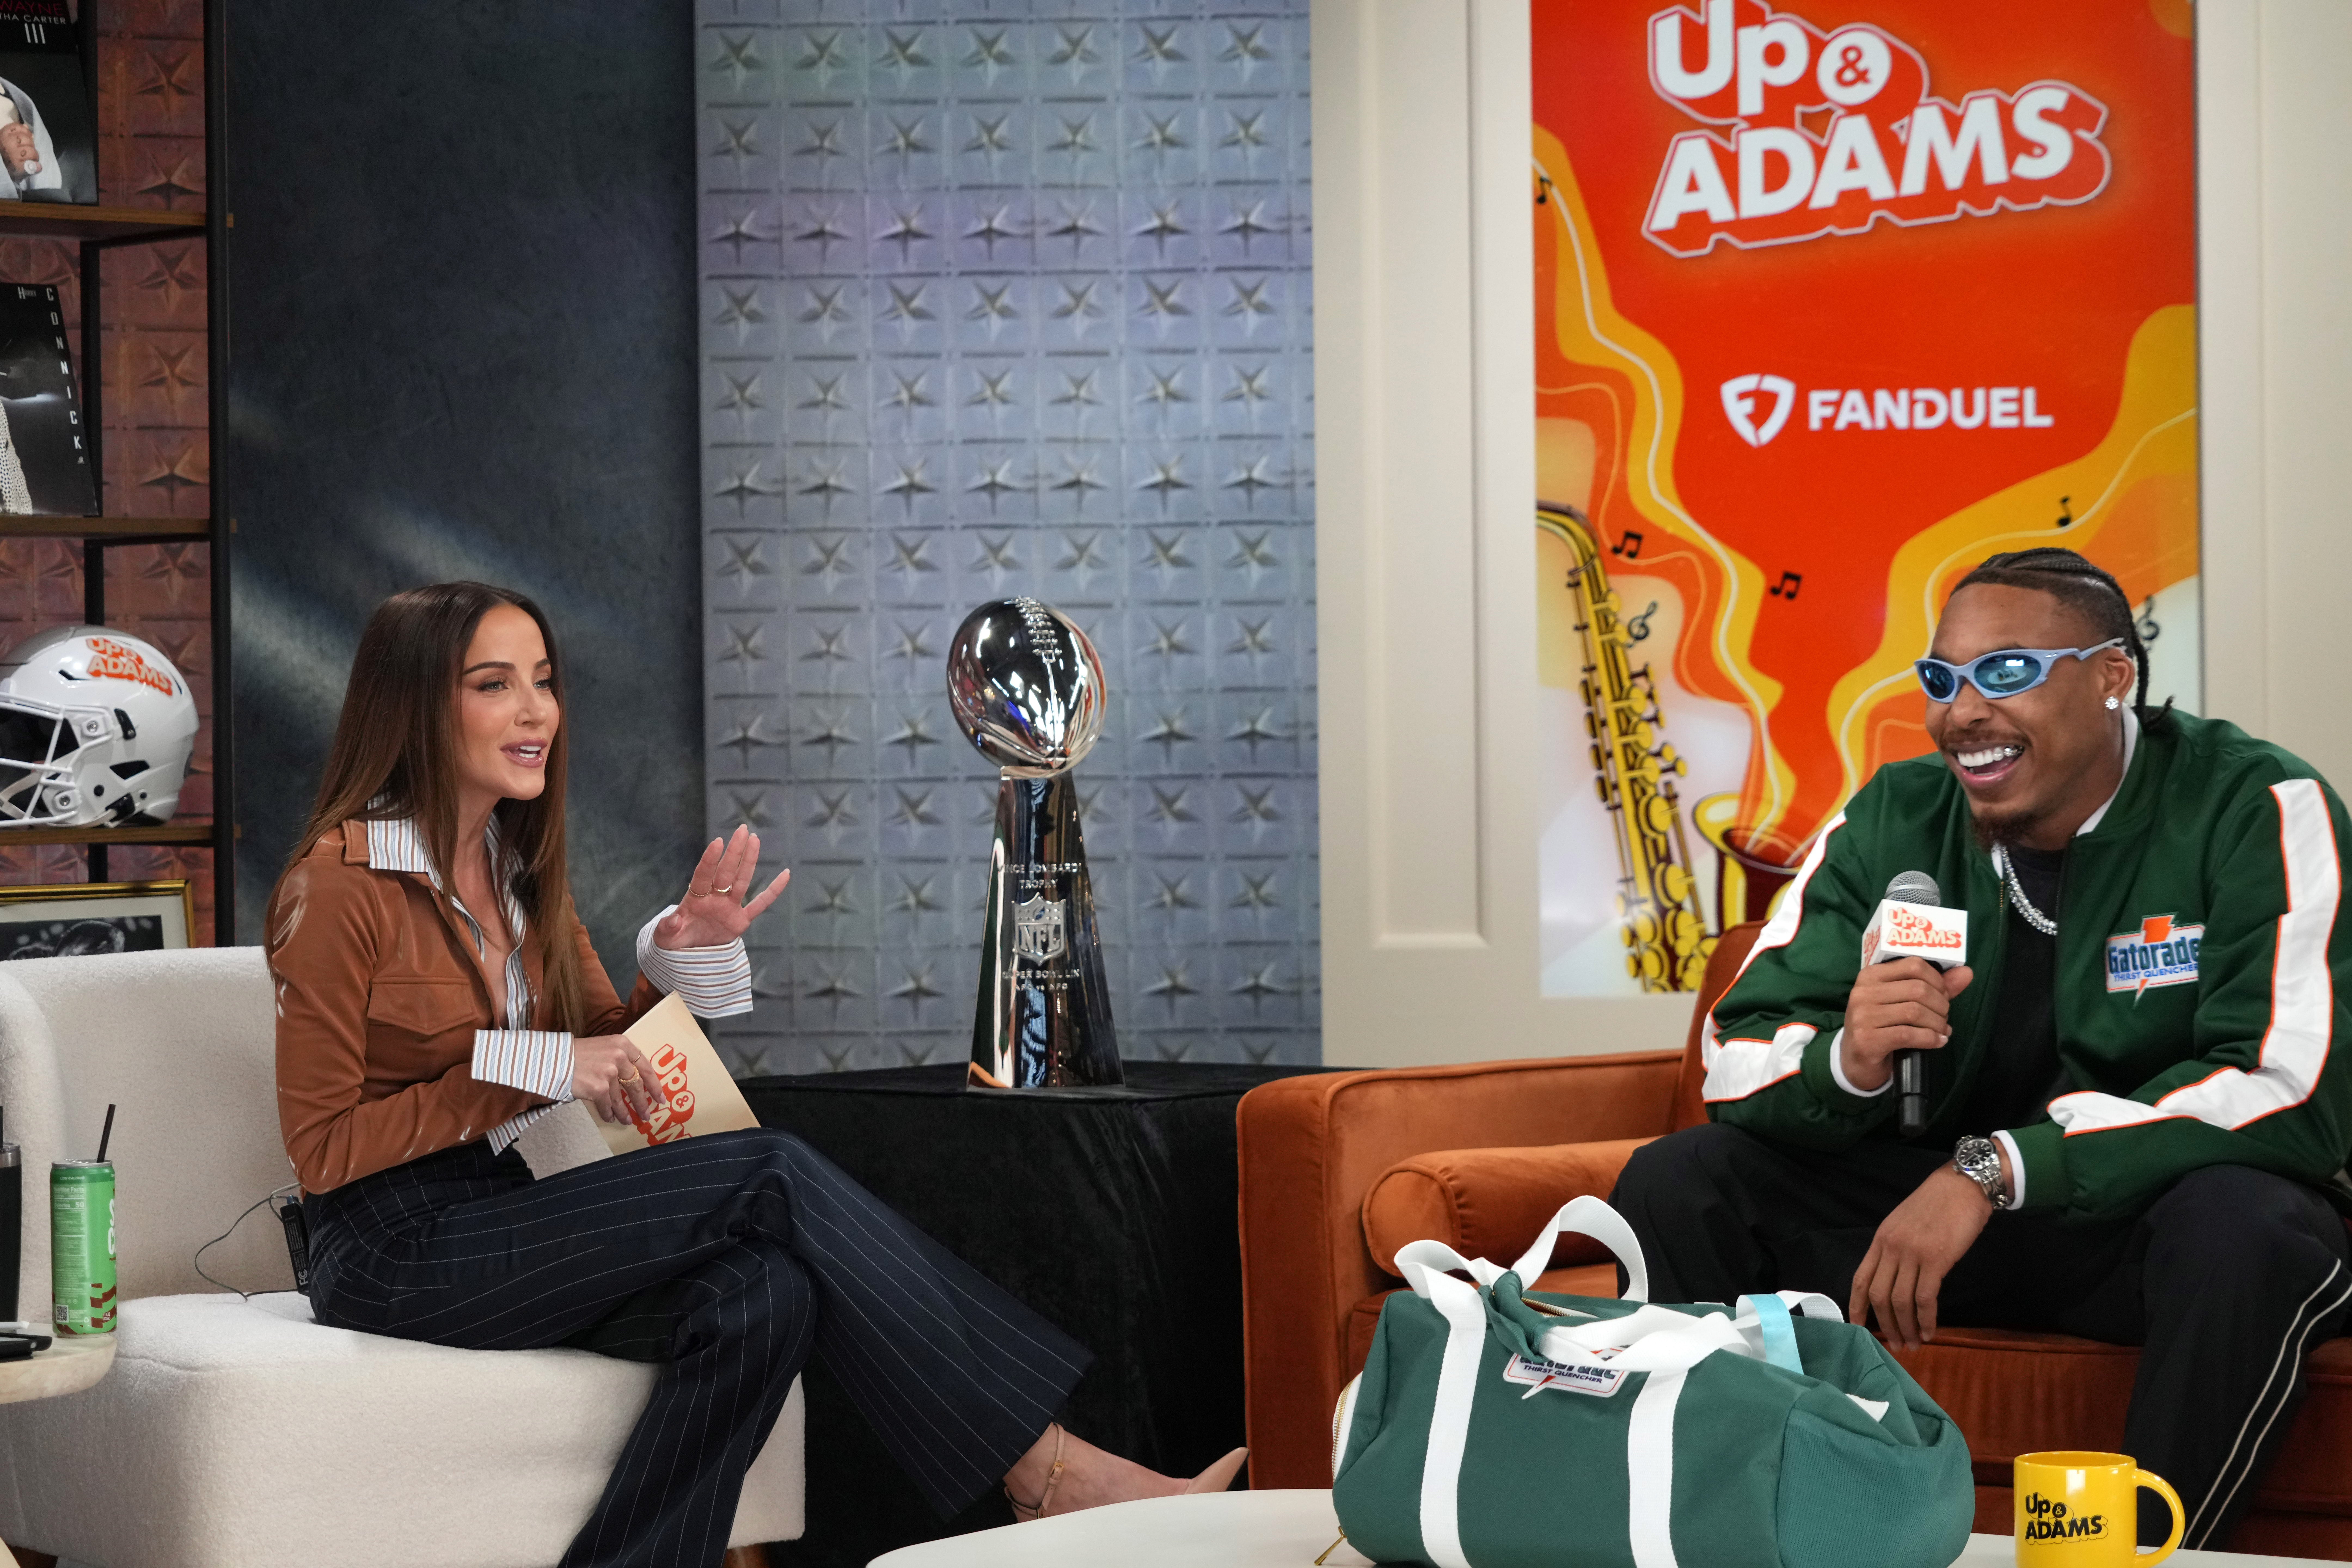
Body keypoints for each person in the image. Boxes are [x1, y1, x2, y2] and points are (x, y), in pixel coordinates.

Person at [268, 582, 1244, 1568]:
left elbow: (611, 1054)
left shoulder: (518, 875)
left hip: (506, 1208)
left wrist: (676, 960)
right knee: (770, 1169)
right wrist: (536, 1067)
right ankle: (1051, 1472)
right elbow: (323, 1148)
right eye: (494, 685)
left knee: (764, 1295)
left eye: (545, 682)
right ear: (416, 704)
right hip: (387, 1249)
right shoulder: (338, 884)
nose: (537, 713)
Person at [1612, 547, 2351, 1551]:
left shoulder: (2255, 806)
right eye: (1942, 678)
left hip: (2142, 1234)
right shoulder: (1896, 815)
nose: (1961, 712)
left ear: (2112, 675)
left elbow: (2284, 1084)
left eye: (2006, 672)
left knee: (2247, 1225)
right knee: (1684, 1180)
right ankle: (1731, 1537)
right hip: (1935, 1232)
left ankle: (2146, 1555)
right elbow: (1737, 1051)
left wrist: (1994, 1169)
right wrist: (1850, 1061)